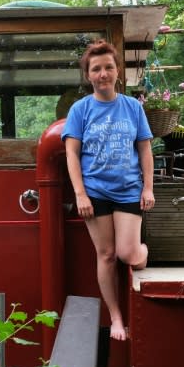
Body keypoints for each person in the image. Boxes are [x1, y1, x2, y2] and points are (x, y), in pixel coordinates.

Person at [61, 39, 155, 341]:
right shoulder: (80, 110)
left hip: (128, 189)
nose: (103, 74)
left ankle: (143, 254)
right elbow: (71, 154)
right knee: (106, 254)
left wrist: (148, 188)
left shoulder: (132, 108)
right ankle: (115, 317)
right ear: (89, 75)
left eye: (109, 68)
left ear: (118, 72)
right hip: (95, 192)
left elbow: (145, 150)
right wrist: (80, 194)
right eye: (96, 69)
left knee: (128, 253)